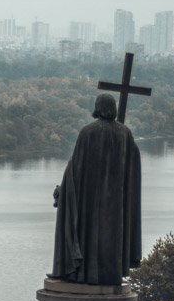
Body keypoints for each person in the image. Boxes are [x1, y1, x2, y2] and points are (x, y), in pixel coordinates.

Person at [50, 94, 141, 285]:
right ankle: (110, 273)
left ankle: (83, 273)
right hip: (116, 205)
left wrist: (63, 189)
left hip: (90, 203)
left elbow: (75, 170)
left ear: (97, 108)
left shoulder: (87, 133)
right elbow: (132, 168)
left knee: (89, 234)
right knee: (111, 237)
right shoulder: (125, 134)